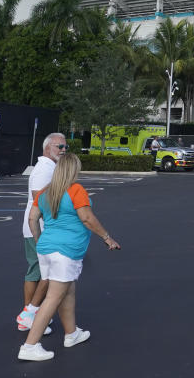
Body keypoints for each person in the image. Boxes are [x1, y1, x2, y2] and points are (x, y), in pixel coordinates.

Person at [19, 153, 120, 362]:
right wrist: (107, 238)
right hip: (65, 251)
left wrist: (39, 242)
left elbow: (32, 218)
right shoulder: (76, 190)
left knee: (68, 291)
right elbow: (87, 218)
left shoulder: (46, 192)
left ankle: (71, 333)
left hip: (47, 249)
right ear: (73, 170)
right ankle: (30, 345)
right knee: (53, 297)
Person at [17, 133, 66, 334]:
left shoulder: (51, 167)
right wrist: (56, 225)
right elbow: (39, 198)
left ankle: (32, 314)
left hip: (43, 229)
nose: (63, 150)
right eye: (59, 146)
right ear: (47, 147)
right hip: (39, 229)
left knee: (42, 272)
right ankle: (28, 315)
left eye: (65, 146)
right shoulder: (44, 169)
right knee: (41, 272)